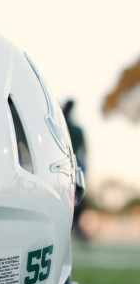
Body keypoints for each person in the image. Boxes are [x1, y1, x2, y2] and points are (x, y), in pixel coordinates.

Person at [63, 99, 88, 242]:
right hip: (72, 166)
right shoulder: (76, 130)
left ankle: (75, 227)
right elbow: (84, 150)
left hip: (70, 166)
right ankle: (74, 227)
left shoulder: (68, 128)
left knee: (75, 199)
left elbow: (84, 150)